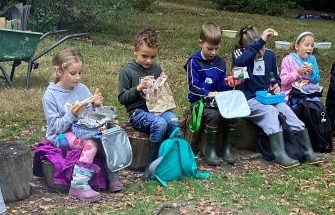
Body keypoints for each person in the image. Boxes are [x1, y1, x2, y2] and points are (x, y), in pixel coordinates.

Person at [233, 26, 322, 167]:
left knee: (286, 111)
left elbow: (276, 77)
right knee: (271, 112)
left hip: (268, 97)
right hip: (249, 99)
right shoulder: (240, 54)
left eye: (263, 47)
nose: (260, 52)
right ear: (247, 49)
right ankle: (279, 154)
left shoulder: (269, 55)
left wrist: (277, 85)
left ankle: (307, 150)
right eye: (256, 49)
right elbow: (239, 63)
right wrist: (259, 43)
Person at [42, 47, 122, 202]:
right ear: (59, 71)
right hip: (62, 136)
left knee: (108, 134)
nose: (78, 77)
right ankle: (78, 184)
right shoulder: (50, 96)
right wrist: (73, 114)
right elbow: (55, 127)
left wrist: (96, 106)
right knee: (91, 141)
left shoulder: (82, 88)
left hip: (83, 129)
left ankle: (112, 174)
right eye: (73, 73)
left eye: (80, 72)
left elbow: (90, 115)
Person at [118, 28, 180, 177]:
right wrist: (138, 88)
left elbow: (158, 92)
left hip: (157, 109)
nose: (148, 61)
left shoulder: (156, 68)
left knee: (173, 121)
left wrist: (161, 82)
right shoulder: (127, 71)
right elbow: (122, 98)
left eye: (153, 57)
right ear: (134, 50)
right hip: (137, 113)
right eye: (144, 56)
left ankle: (172, 159)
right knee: (160, 124)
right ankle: (151, 166)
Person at [184, 22, 239, 166]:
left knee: (233, 114)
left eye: (216, 48)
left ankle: (226, 149)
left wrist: (229, 85)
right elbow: (192, 86)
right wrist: (208, 93)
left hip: (217, 101)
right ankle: (210, 150)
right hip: (199, 102)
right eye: (209, 48)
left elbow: (222, 87)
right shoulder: (194, 62)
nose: (213, 52)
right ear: (200, 43)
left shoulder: (221, 63)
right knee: (214, 115)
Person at [280, 31, 321, 105]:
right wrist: (297, 72)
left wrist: (312, 73)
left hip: (309, 92)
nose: (310, 48)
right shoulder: (288, 60)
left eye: (312, 46)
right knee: (306, 105)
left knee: (317, 105)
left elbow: (316, 80)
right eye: (307, 45)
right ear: (297, 47)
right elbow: (283, 81)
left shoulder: (312, 59)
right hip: (292, 93)